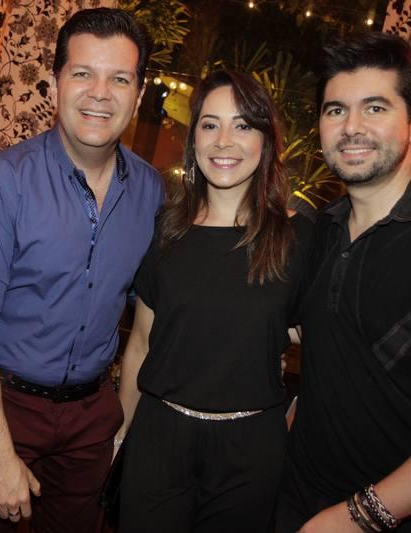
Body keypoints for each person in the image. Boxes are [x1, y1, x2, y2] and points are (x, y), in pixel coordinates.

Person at [0, 7, 163, 532]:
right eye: (83, 73)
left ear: (138, 93)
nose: (100, 93)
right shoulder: (3, 182)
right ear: (55, 82)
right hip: (1, 406)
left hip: (91, 417)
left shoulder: (152, 191)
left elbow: (152, 313)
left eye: (120, 78)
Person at [276, 31, 411, 532]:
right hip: (297, 500)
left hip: (395, 519)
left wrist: (357, 516)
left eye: (374, 108)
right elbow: (327, 338)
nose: (352, 127)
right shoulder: (323, 229)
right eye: (336, 110)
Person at [115, 69, 311, 532]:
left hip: (250, 450)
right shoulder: (167, 230)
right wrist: (121, 433)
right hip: (159, 438)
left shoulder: (298, 238)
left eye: (242, 125)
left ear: (266, 140)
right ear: (194, 139)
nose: (224, 141)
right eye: (209, 124)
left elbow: (327, 350)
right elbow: (141, 343)